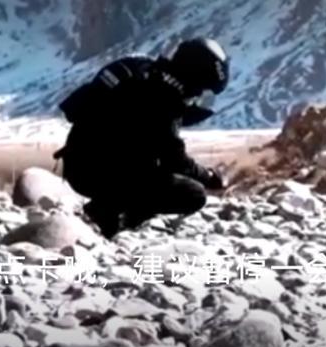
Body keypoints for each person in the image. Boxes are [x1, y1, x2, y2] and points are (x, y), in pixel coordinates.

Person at [54, 38, 231, 238]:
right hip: (99, 174)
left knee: (148, 167)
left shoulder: (140, 69)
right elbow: (175, 160)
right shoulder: (165, 98)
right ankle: (107, 214)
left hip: (77, 165)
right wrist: (209, 177)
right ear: (196, 76)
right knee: (193, 194)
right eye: (202, 89)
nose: (197, 96)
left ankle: (114, 214)